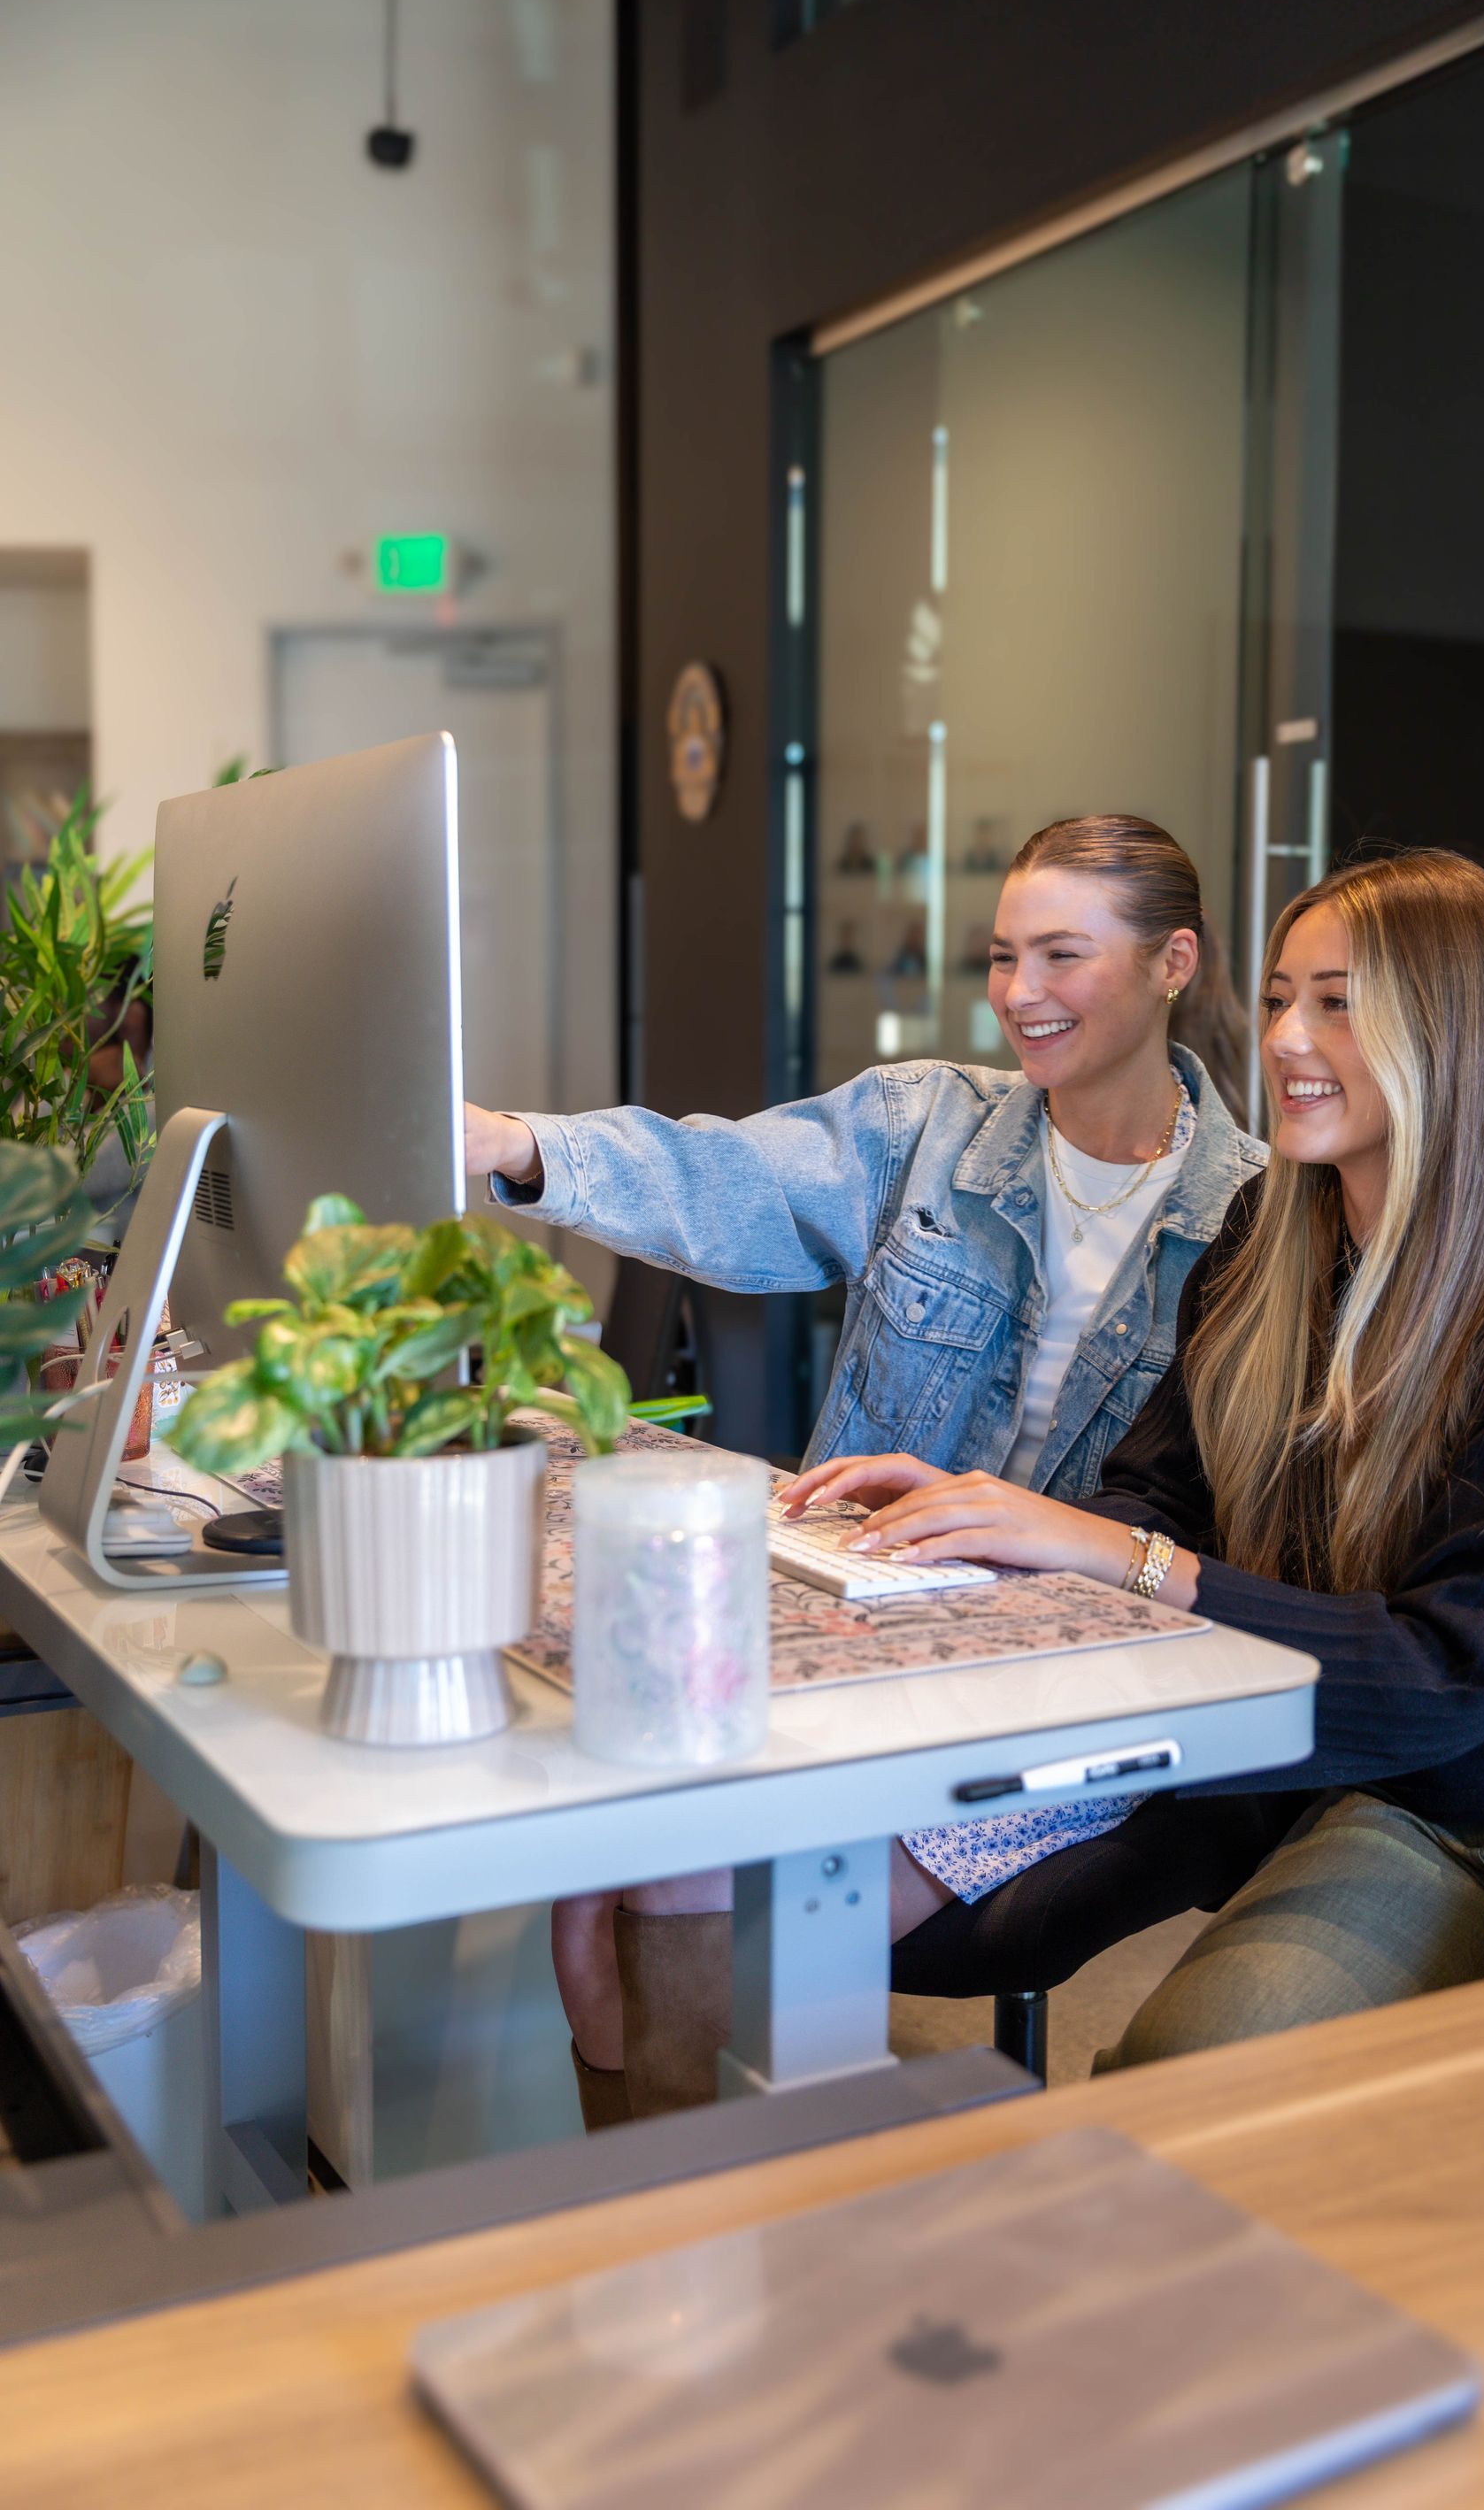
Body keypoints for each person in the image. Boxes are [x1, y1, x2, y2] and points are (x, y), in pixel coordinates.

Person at [792, 848, 1484, 2061]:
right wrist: (978, 1541)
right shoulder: (1266, 1238)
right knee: (1183, 2083)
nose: (1283, 1037)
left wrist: (1121, 1556)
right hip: (1407, 1806)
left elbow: (1445, 1676)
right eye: (1279, 996)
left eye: (1337, 1002)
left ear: (1455, 1035)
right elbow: (1159, 1493)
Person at [464, 814, 1262, 2123]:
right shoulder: (930, 1126)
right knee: (588, 1864)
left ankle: (725, 2256)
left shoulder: (1256, 1217)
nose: (1020, 994)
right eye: (1005, 956)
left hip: (1066, 1686)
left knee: (680, 1874)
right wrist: (514, 1144)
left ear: (1174, 963)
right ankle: (638, 2224)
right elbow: (717, 1175)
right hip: (851, 1630)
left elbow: (1206, 1530)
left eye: (1063, 955)